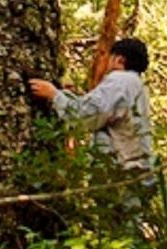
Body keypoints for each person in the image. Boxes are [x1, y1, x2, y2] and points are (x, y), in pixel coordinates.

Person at [29, 38, 154, 177]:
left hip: (120, 171)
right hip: (136, 171)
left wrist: (54, 95)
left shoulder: (120, 81)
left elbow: (87, 115)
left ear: (119, 60)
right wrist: (64, 95)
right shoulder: (136, 85)